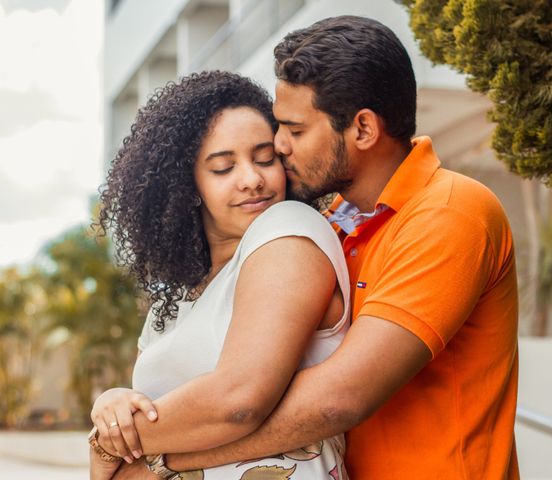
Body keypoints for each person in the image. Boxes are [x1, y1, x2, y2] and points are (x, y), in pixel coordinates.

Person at [105, 15, 520, 480]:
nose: (279, 146)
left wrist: (155, 459)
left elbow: (336, 400)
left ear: (362, 129)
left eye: (295, 130)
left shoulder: (449, 212)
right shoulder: (334, 226)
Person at [90, 70, 350, 479]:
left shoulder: (287, 228)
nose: (252, 180)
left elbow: (238, 400)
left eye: (265, 159)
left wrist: (109, 446)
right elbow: (155, 406)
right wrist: (113, 403)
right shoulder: (172, 300)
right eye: (223, 168)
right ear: (187, 185)